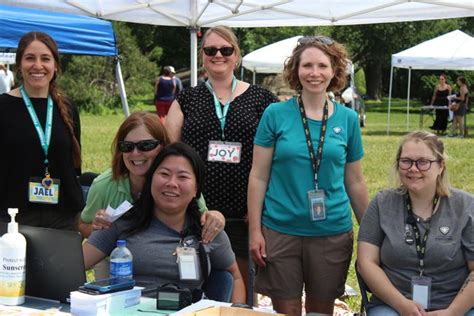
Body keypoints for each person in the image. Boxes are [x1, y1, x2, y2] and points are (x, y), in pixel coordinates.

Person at [247, 35, 369, 315]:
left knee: (320, 311)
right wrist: (255, 230)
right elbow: (258, 176)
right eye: (307, 65)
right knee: (286, 310)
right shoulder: (275, 114)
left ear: (335, 70)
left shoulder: (348, 120)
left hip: (332, 232)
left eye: (322, 66)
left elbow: (355, 181)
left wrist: (371, 232)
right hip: (281, 229)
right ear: (296, 69)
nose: (314, 73)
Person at [166, 25, 279, 299]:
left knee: (239, 292)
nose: (218, 55)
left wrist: (260, 208)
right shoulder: (186, 98)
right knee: (193, 286)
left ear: (236, 55)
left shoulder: (261, 99)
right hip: (195, 211)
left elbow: (277, 157)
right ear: (202, 55)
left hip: (243, 213)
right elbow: (170, 151)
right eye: (211, 50)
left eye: (225, 50)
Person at [83, 142, 246, 304]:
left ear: (196, 188)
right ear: (151, 179)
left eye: (182, 177)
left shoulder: (208, 230)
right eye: (164, 174)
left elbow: (235, 277)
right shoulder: (124, 222)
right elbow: (77, 263)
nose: (171, 183)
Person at [79, 111, 225, 278]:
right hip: (116, 258)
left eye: (145, 146)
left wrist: (216, 216)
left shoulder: (179, 186)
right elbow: (84, 224)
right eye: (127, 146)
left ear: (163, 146)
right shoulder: (104, 185)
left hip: (163, 256)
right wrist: (101, 229)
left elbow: (203, 218)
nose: (135, 153)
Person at [357, 131, 474, 315]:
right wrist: (402, 305)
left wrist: (452, 312)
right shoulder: (382, 203)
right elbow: (366, 262)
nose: (413, 168)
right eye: (406, 161)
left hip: (454, 306)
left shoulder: (466, 206)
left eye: (423, 162)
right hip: (392, 305)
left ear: (440, 166)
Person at [0, 32, 83, 230]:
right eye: (30, 58)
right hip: (12, 218)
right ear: (19, 65)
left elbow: (74, 166)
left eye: (45, 58)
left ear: (55, 66)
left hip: (63, 218)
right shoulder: (3, 106)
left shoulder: (68, 107)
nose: (38, 65)